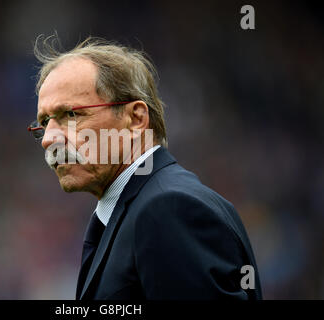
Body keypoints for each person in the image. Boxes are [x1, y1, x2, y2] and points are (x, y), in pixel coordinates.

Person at [28, 36, 262, 300]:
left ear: (135, 119)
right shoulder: (136, 211)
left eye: (70, 114)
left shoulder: (169, 209)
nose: (48, 138)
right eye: (44, 122)